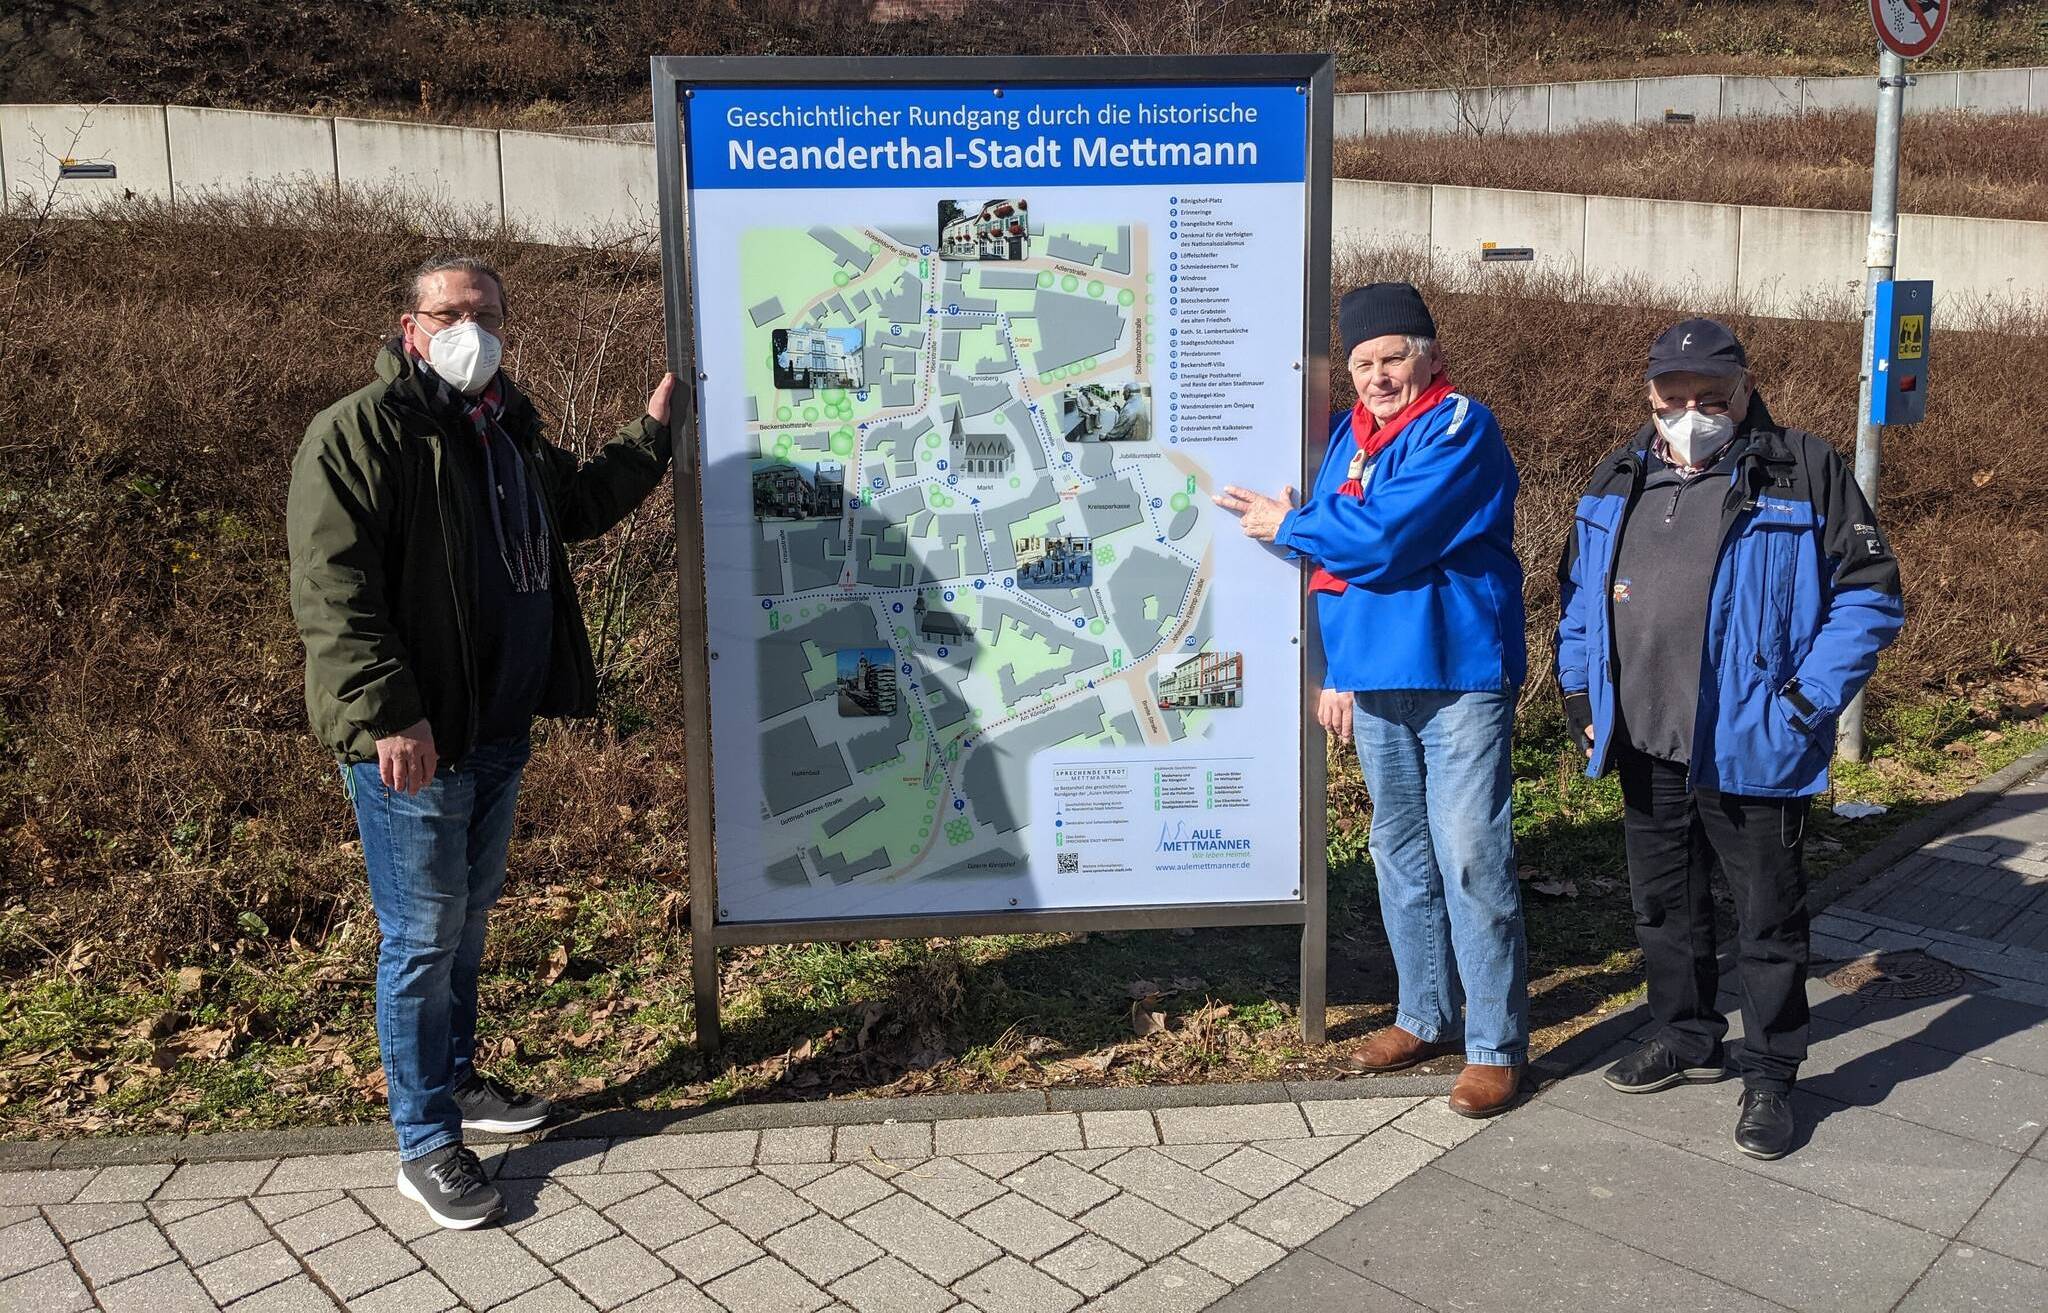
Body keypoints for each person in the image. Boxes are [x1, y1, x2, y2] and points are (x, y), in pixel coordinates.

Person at [287, 255, 678, 1228]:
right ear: (410, 327)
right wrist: (389, 713)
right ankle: (424, 1141)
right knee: (419, 939)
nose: (470, 328)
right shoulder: (357, 435)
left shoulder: (503, 427)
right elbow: (335, 594)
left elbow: (576, 505)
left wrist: (655, 433)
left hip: (495, 732)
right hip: (412, 744)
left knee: (462, 927)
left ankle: (457, 1083)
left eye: (486, 312)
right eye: (449, 312)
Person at [1555, 318, 1902, 1160]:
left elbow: (1870, 597)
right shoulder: (1618, 472)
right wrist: (1577, 688)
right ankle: (1685, 1034)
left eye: (1711, 398)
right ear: (1651, 396)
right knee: (1663, 906)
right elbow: (1577, 594)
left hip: (1754, 739)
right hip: (1646, 735)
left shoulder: (1805, 467)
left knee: (1767, 920)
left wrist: (1804, 701)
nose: (1692, 413)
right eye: (1675, 399)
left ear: (1744, 391)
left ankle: (1773, 1072)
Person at [1215, 282, 1529, 1118]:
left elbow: (1388, 537)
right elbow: (1336, 565)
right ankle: (1422, 1015)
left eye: (1394, 356)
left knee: (1469, 853)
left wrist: (1290, 523)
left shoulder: (1460, 424)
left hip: (1456, 670)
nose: (1379, 374)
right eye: (1363, 362)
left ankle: (1495, 1045)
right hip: (1376, 677)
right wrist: (1340, 668)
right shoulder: (1343, 438)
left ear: (1430, 356)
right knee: (1399, 851)